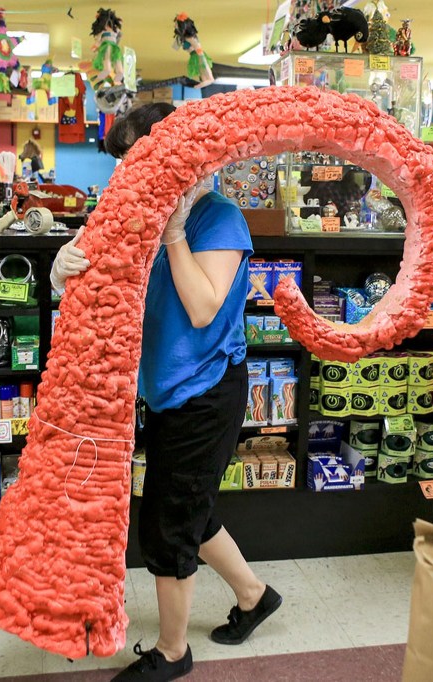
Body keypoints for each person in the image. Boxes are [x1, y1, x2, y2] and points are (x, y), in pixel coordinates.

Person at [49, 103, 281, 682]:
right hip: (161, 391)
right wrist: (62, 270)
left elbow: (203, 308)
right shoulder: (134, 213)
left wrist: (174, 233)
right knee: (189, 511)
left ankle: (174, 653)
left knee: (168, 524)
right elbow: (97, 280)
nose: (135, 174)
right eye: (127, 164)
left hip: (206, 394)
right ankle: (255, 595)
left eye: (142, 160)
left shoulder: (219, 217)